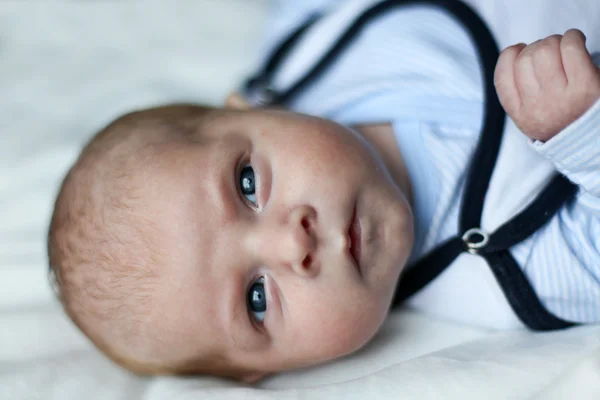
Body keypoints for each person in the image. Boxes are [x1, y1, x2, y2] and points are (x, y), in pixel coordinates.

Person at [47, 0, 600, 382]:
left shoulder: (311, 43)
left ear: (246, 106)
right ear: (270, 371)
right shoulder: (510, 273)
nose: (294, 245)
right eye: (256, 300)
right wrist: (582, 133)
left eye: (246, 186)